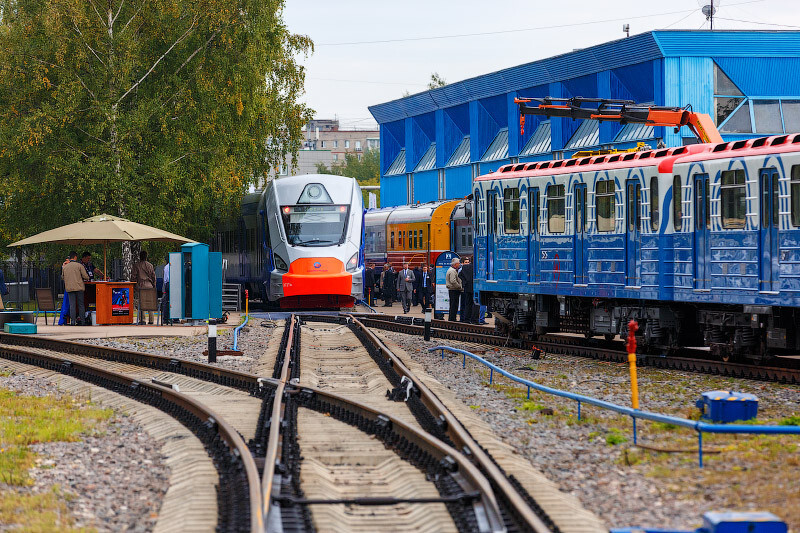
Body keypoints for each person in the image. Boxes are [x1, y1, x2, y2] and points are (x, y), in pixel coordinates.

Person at [62, 251, 89, 326]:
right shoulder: (79, 266)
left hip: (69, 288)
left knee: (72, 305)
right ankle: (83, 321)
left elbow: (62, 277)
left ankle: (73, 321)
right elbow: (85, 276)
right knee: (81, 304)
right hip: (79, 287)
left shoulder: (65, 267)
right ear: (75, 257)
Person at [131, 250, 157, 325]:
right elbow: (153, 277)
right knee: (150, 302)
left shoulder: (136, 265)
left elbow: (133, 277)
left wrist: (134, 286)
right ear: (146, 256)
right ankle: (151, 319)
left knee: (141, 303)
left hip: (141, 286)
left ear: (140, 256)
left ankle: (142, 319)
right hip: (150, 286)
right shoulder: (150, 265)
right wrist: (154, 285)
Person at [446, 257, 463, 322]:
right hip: (454, 289)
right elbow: (453, 281)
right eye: (458, 263)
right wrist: (459, 286)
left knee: (453, 304)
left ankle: (452, 317)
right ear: (455, 264)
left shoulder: (452, 270)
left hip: (453, 289)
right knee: (454, 304)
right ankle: (452, 318)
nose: (459, 264)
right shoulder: (452, 271)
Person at [459, 257, 475, 323]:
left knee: (467, 304)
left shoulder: (465, 267)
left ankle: (467, 319)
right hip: (475, 287)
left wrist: (465, 281)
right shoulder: (476, 267)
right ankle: (474, 319)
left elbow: (459, 275)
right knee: (475, 304)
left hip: (467, 287)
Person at [161, 256, 171, 325]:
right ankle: (174, 318)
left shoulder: (166, 267)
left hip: (167, 284)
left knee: (166, 301)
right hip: (172, 283)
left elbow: (164, 279)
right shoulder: (174, 266)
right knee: (174, 300)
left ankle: (165, 318)